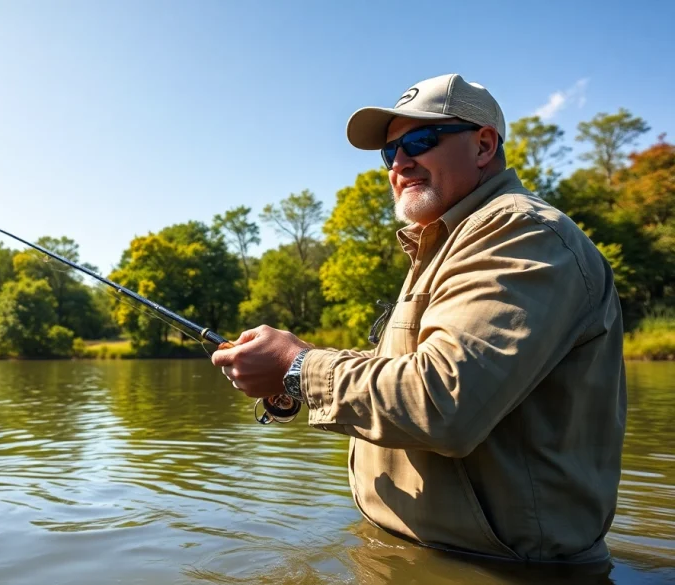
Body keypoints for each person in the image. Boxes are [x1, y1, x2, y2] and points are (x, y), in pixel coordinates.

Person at [211, 73, 627, 567]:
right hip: (413, 557)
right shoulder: (445, 242)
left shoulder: (521, 233)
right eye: (390, 153)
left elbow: (444, 399)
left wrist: (300, 368)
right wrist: (294, 376)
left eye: (421, 141)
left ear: (483, 145)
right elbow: (409, 369)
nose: (400, 162)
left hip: (506, 571)